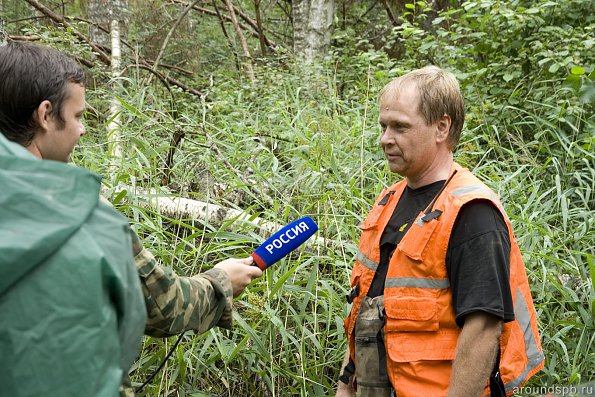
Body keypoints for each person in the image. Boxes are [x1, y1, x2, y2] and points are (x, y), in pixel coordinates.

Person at [0, 40, 262, 397]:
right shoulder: (83, 214)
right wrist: (221, 281)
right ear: (45, 115)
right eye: (77, 116)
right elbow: (162, 304)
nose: (83, 130)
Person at [336, 66, 544, 397]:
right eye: (383, 126)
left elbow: (483, 330)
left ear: (441, 127)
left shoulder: (471, 211)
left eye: (400, 127)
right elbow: (366, 306)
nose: (385, 138)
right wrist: (346, 387)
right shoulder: (388, 201)